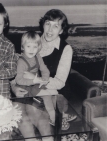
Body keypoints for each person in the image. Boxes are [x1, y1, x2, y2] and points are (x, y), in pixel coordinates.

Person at [11, 9, 77, 141]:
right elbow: (19, 68)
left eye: (56, 26)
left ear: (62, 31)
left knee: (30, 109)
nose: (50, 29)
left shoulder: (66, 49)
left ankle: (56, 122)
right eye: (48, 24)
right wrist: (13, 87)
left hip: (56, 94)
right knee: (18, 109)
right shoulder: (32, 42)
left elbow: (60, 82)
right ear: (43, 25)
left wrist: (36, 79)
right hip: (32, 89)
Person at [15, 30, 55, 126]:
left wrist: (44, 80)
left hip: (36, 84)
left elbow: (46, 71)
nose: (31, 50)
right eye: (28, 46)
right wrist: (34, 80)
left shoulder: (38, 57)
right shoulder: (21, 61)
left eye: (35, 47)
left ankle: (51, 116)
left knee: (53, 94)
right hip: (25, 87)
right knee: (47, 95)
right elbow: (19, 80)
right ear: (22, 47)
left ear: (38, 47)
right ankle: (54, 119)